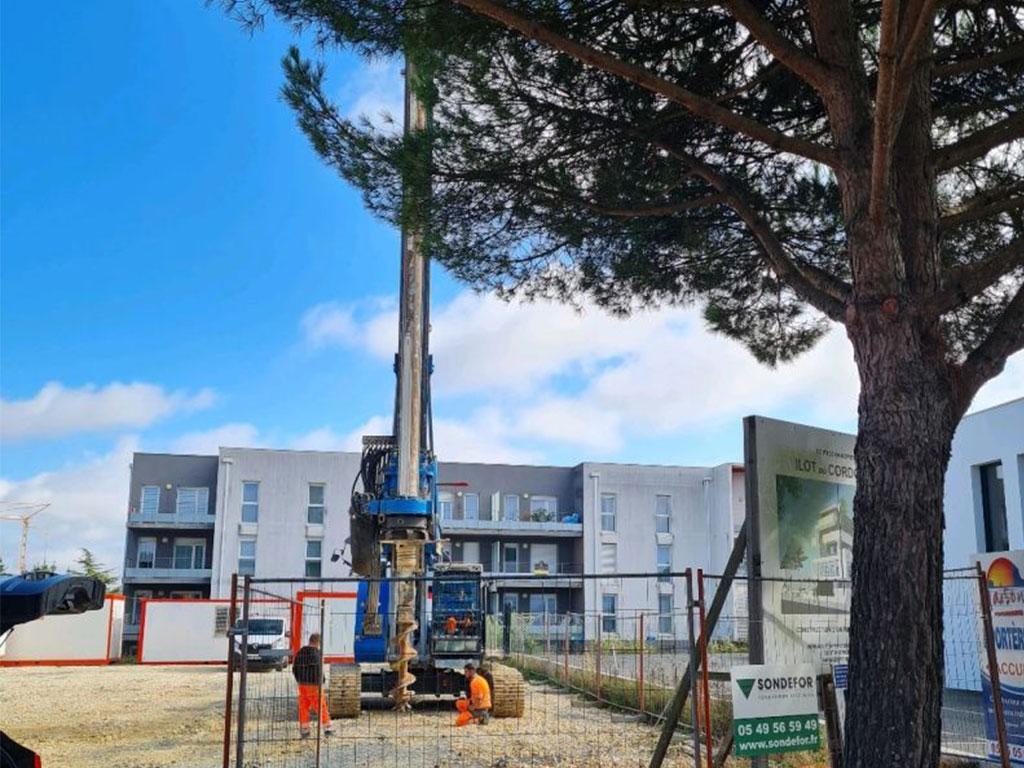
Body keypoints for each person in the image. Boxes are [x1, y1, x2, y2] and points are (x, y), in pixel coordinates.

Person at [292, 633, 334, 738]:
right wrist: (322, 681)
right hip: (314, 685)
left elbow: (294, 669)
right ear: (318, 643)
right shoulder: (316, 654)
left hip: (302, 684)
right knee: (321, 706)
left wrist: (299, 679)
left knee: (303, 707)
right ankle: (327, 729)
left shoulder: (300, 652)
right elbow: (319, 670)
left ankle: (305, 731)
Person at [455, 662, 491, 727]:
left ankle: (480, 719)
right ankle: (471, 715)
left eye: (466, 672)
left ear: (472, 671)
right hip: (481, 706)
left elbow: (479, 698)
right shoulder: (478, 679)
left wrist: (472, 707)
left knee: (459, 722)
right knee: (459, 703)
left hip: (480, 708)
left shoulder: (475, 682)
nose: (465, 674)